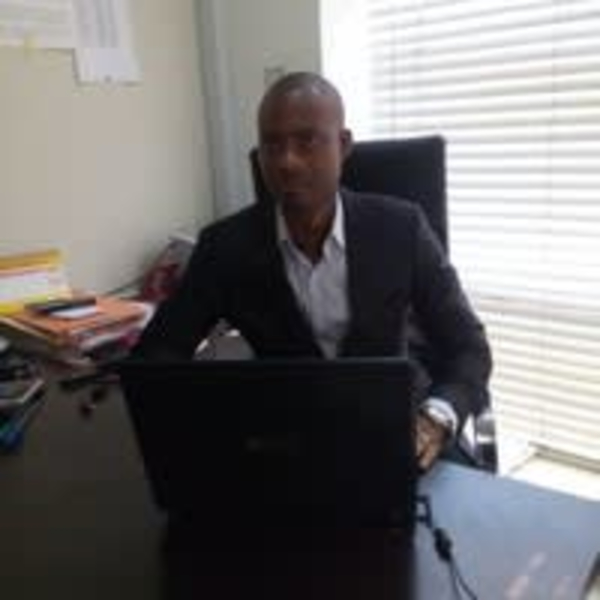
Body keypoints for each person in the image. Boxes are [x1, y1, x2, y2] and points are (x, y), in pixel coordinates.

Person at [134, 72, 492, 470]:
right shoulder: (226, 247)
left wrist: (436, 418)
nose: (287, 161)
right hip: (289, 439)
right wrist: (216, 421)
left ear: (343, 145)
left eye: (307, 140)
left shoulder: (401, 228)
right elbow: (157, 356)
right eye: (272, 144)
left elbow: (469, 347)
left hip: (400, 427)